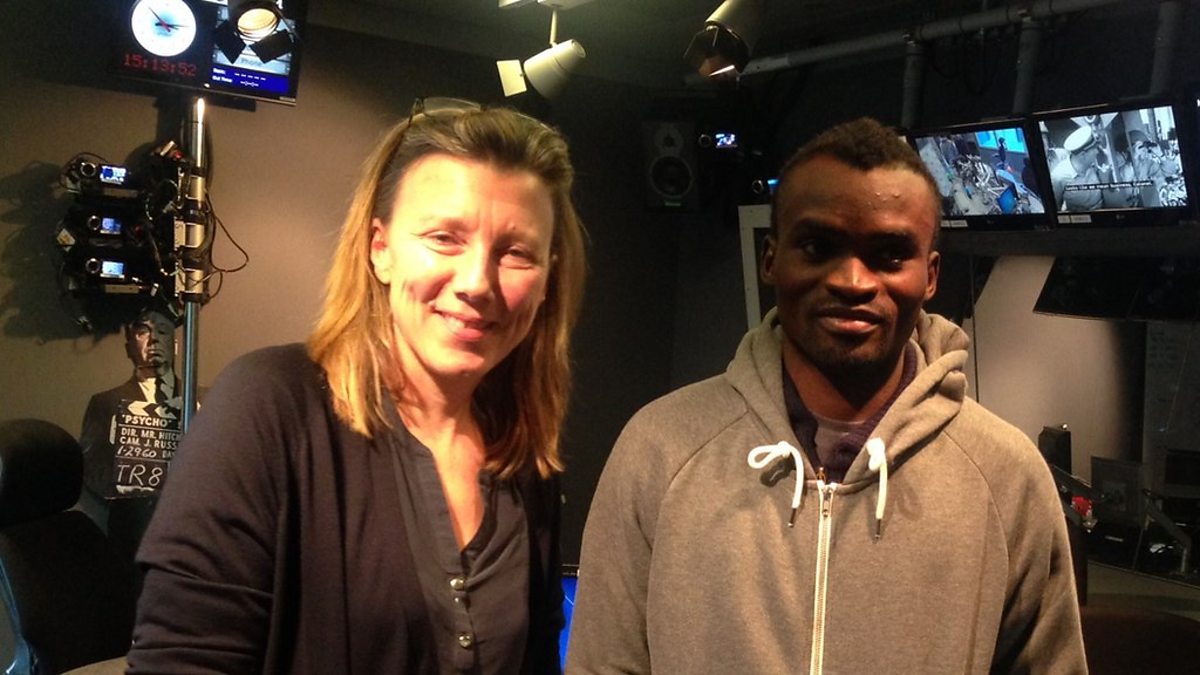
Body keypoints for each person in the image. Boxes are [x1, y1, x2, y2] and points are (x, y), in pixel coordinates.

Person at [567, 117, 1085, 673]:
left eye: (889, 254)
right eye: (818, 246)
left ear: (930, 276)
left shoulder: (1006, 475)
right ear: (772, 258)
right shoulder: (659, 449)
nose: (852, 281)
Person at [126, 99, 587, 673]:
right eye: (445, 238)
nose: (477, 282)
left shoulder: (526, 459)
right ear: (380, 249)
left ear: (547, 278)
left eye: (516, 253)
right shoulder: (266, 407)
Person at [79, 306, 179, 564]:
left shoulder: (203, 399)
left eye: (163, 331)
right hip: (133, 531)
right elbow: (91, 465)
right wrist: (126, 488)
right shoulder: (106, 402)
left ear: (176, 346)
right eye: (143, 332)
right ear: (129, 347)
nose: (154, 339)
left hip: (191, 527)